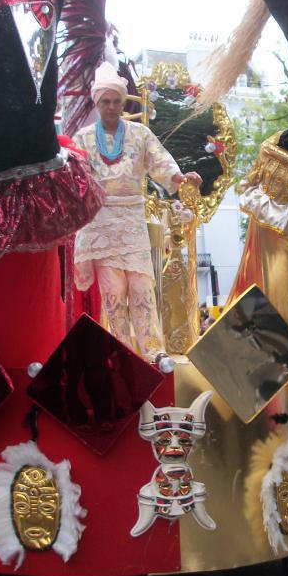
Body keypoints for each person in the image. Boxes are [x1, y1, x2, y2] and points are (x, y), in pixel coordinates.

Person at [73, 62, 202, 361]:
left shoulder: (140, 134)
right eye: (106, 101)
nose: (112, 107)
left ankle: (154, 351)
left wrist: (181, 178)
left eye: (117, 101)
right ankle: (121, 352)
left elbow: (161, 163)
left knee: (142, 286)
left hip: (131, 218)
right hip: (102, 222)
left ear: (122, 101)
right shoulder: (83, 138)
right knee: (113, 292)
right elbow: (76, 181)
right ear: (97, 103)